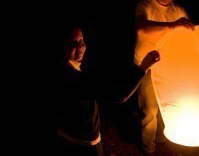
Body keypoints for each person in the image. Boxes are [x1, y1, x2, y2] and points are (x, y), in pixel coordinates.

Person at [22, 21, 160, 156]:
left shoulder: (64, 69)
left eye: (81, 41)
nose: (80, 47)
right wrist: (143, 67)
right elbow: (119, 95)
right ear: (61, 47)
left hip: (73, 140)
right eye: (73, 44)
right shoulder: (70, 77)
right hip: (80, 147)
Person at [134, 0, 195, 155]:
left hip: (169, 68)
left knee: (167, 105)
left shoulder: (178, 10)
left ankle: (165, 137)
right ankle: (148, 147)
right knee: (150, 110)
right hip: (147, 67)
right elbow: (141, 27)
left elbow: (189, 32)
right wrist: (172, 26)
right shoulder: (145, 5)